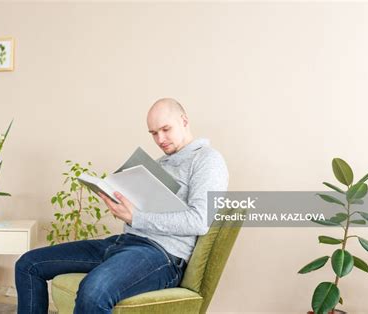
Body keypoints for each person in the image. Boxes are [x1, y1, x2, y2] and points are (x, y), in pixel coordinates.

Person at [15, 98, 229, 313]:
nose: (160, 139)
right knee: (28, 264)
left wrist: (135, 217)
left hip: (161, 255)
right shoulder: (160, 163)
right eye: (154, 133)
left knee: (93, 291)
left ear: (184, 121)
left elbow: (199, 221)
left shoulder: (208, 160)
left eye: (165, 129)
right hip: (122, 243)